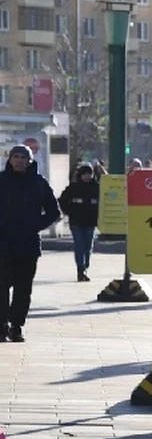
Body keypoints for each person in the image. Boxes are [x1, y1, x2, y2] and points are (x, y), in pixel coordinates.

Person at [0, 145, 60, 343]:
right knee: (2, 285)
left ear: (29, 161)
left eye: (23, 157)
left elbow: (54, 211)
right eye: (15, 157)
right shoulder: (1, 180)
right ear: (9, 160)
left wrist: (35, 225)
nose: (19, 160)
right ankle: (1, 326)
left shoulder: (38, 182)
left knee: (23, 288)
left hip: (27, 245)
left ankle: (16, 326)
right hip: (3, 243)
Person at [58, 163, 100, 282]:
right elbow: (62, 201)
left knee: (88, 246)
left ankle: (85, 265)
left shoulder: (97, 187)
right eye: (84, 174)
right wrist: (68, 212)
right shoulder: (73, 188)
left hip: (91, 221)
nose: (87, 177)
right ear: (80, 175)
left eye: (89, 174)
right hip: (76, 221)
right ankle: (80, 269)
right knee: (79, 245)